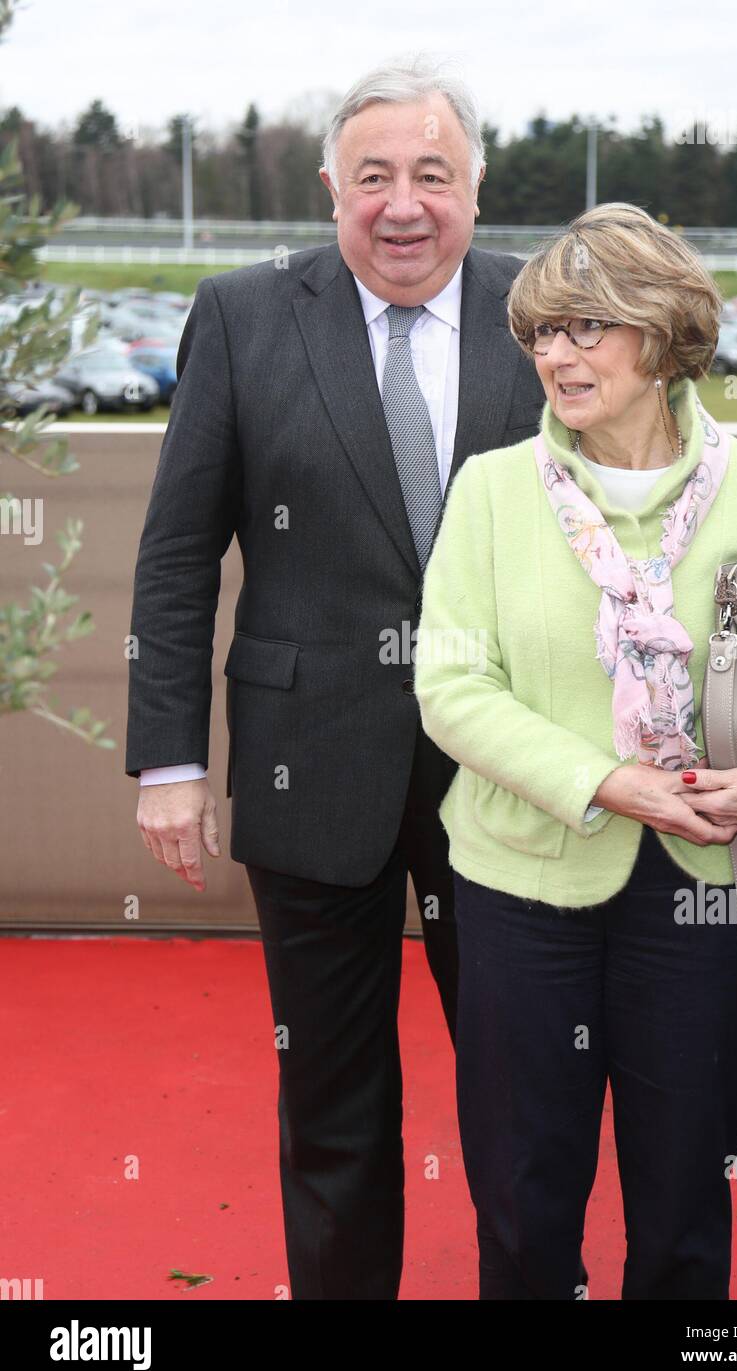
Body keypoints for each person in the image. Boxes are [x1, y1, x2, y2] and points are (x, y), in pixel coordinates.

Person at [125, 56, 547, 1299]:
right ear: (330, 188)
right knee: (333, 1102)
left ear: (476, 188)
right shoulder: (244, 313)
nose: (402, 203)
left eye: (432, 174)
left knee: (526, 1095)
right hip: (309, 766)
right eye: (374, 176)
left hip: (513, 774)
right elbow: (174, 553)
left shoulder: (545, 310)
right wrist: (169, 760)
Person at [414, 201, 737, 1299]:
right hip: (519, 891)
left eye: (582, 327)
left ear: (659, 336)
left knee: (680, 1212)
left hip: (705, 892)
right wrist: (606, 783)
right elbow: (449, 684)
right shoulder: (487, 491)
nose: (552, 355)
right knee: (522, 1207)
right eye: (538, 333)